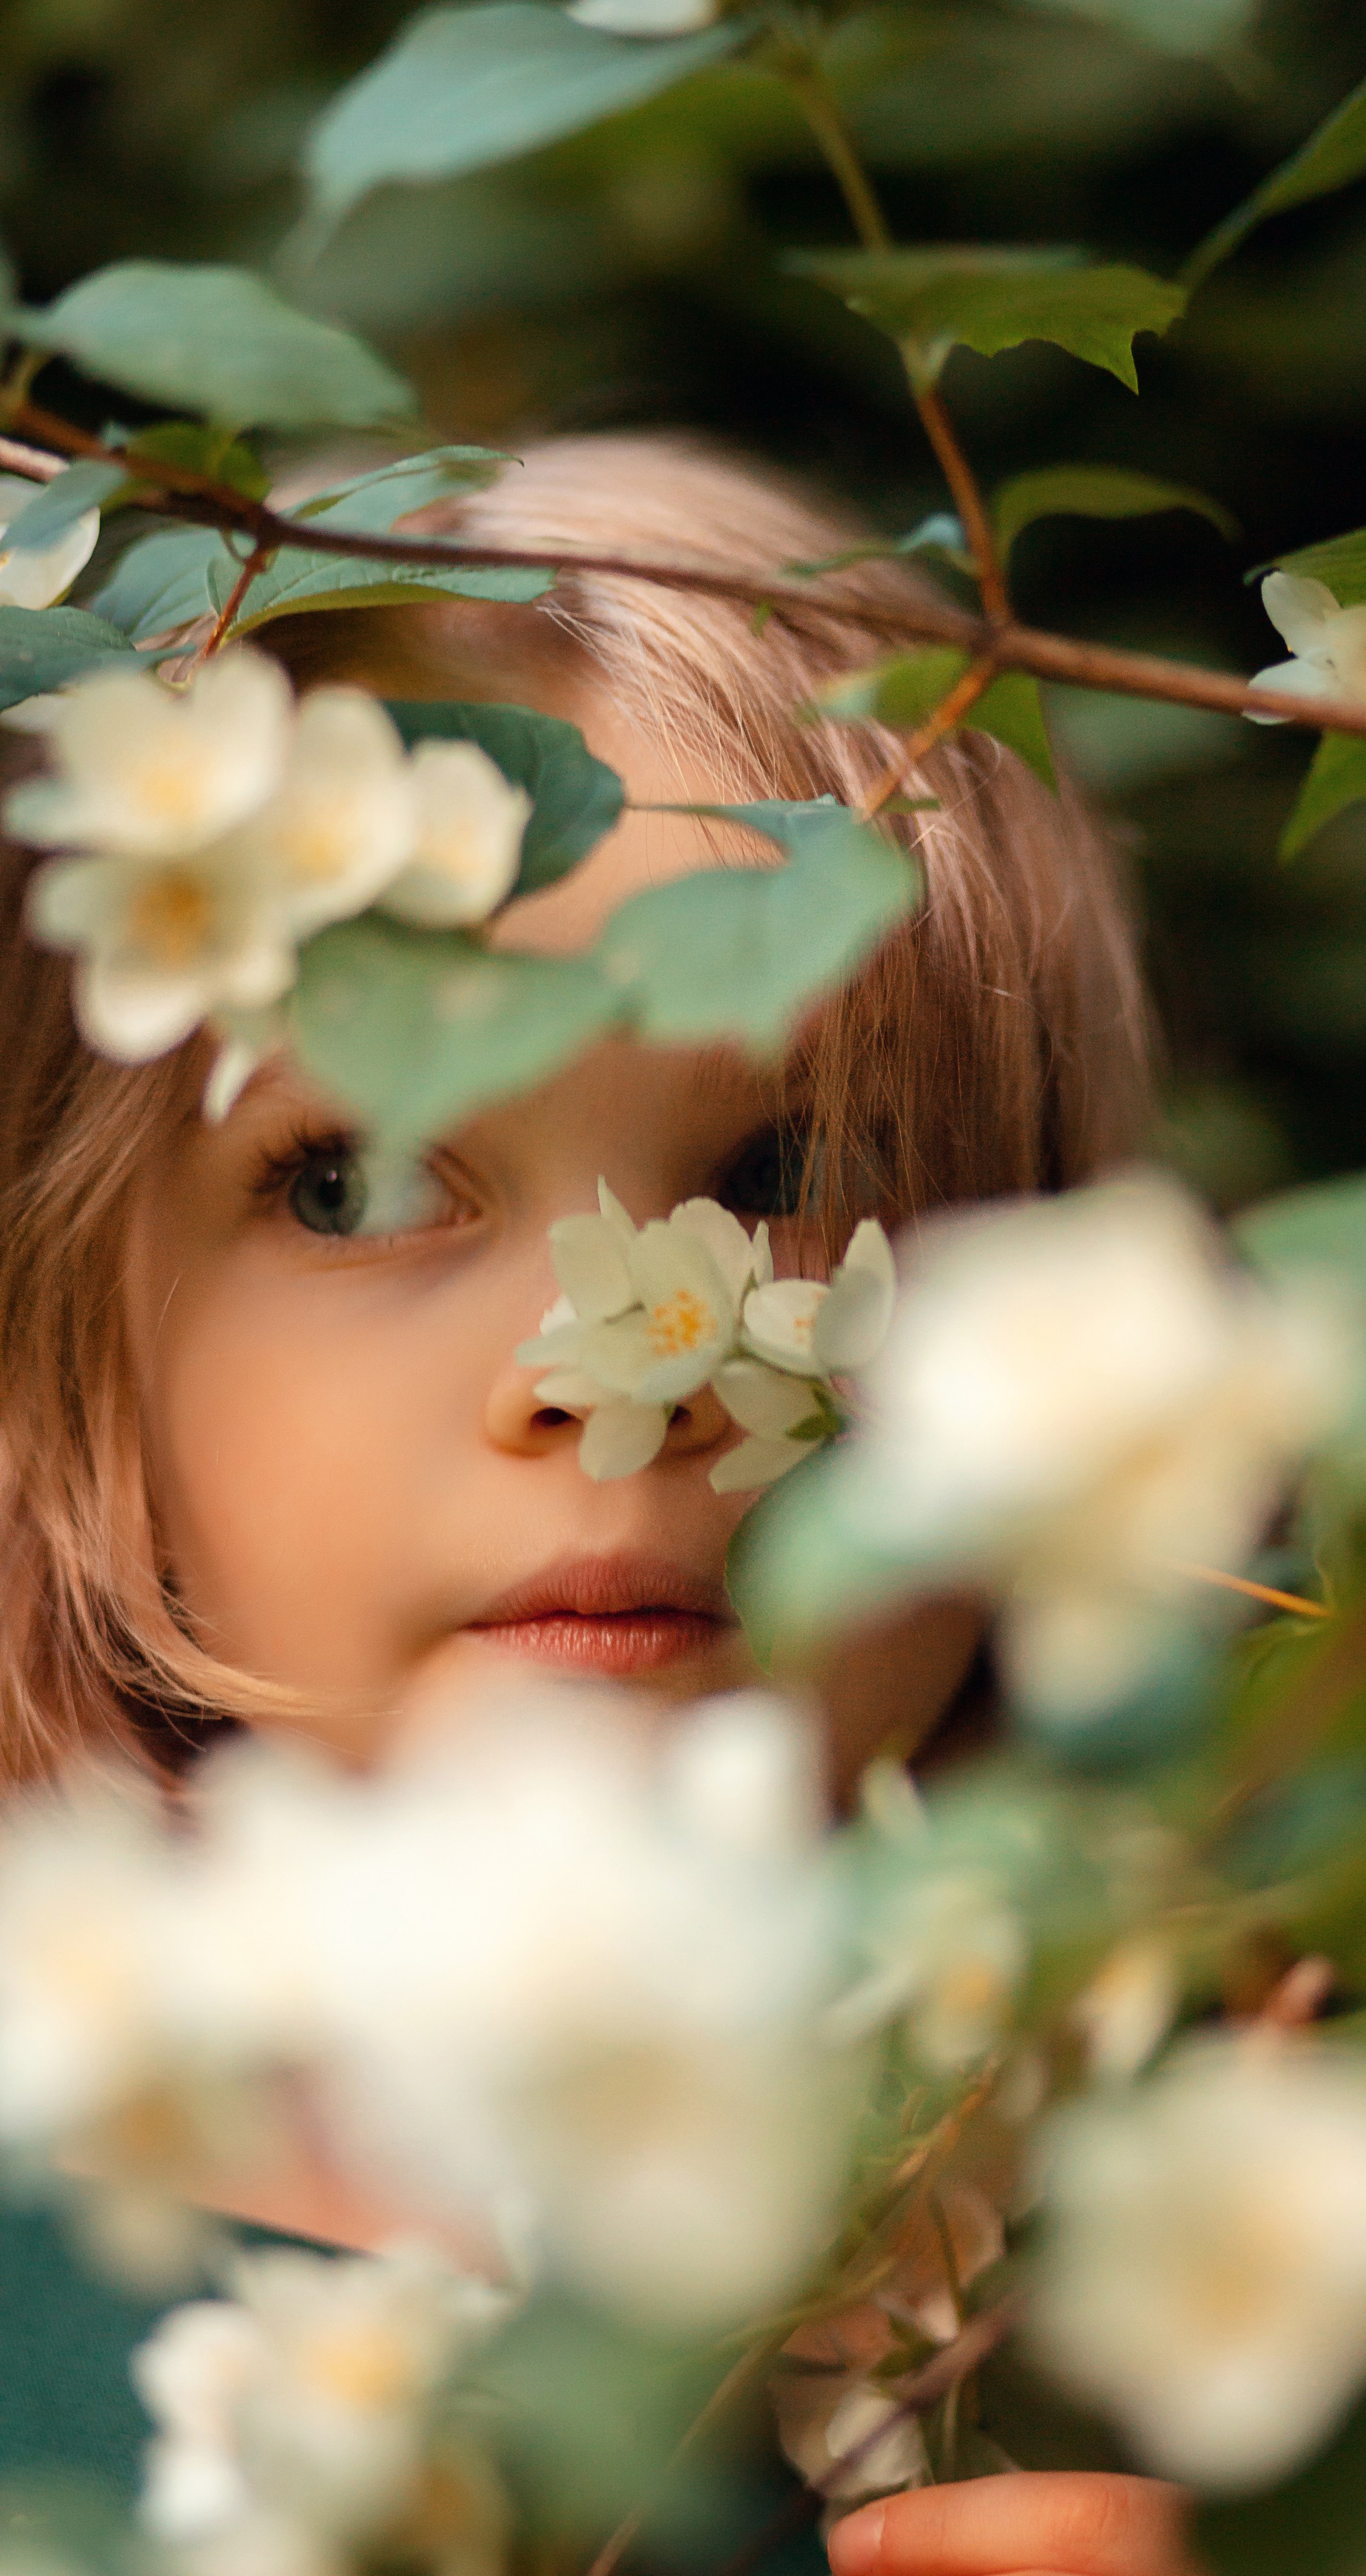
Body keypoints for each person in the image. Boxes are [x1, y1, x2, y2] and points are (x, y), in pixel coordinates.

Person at [0, 436, 1191, 2576]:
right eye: (353, 1181)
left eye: (788, 1177)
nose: (603, 1380)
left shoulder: (1228, 2233)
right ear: (90, 1351)